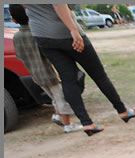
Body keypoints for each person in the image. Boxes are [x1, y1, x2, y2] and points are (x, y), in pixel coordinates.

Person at [23, 3, 135, 136]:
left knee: (67, 78)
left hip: (41, 34)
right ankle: (122, 111)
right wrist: (73, 30)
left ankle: (86, 122)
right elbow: (59, 4)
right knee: (99, 75)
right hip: (64, 31)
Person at [8, 4, 82, 133]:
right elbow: (48, 54)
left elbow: (20, 56)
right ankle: (67, 125)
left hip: (35, 74)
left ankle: (57, 115)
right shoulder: (37, 34)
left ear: (14, 20)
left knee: (54, 97)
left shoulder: (16, 37)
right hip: (49, 72)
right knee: (60, 97)